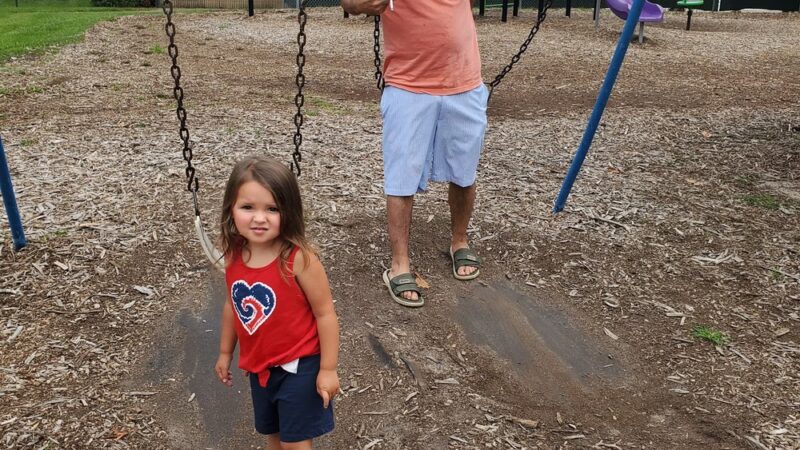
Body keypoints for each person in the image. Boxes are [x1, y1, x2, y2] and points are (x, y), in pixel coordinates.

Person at [341, 0, 489, 308]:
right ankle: (400, 264)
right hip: (408, 85)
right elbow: (350, 3)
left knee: (465, 172)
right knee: (401, 178)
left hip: (464, 81)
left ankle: (459, 240)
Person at [214, 156, 340, 449]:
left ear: (289, 211)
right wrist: (225, 352)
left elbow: (325, 314)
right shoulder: (234, 254)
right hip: (261, 368)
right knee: (273, 435)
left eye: (272, 209)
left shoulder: (298, 259)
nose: (259, 218)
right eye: (248, 207)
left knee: (294, 442)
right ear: (231, 209)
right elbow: (233, 305)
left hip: (300, 366)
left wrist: (328, 369)